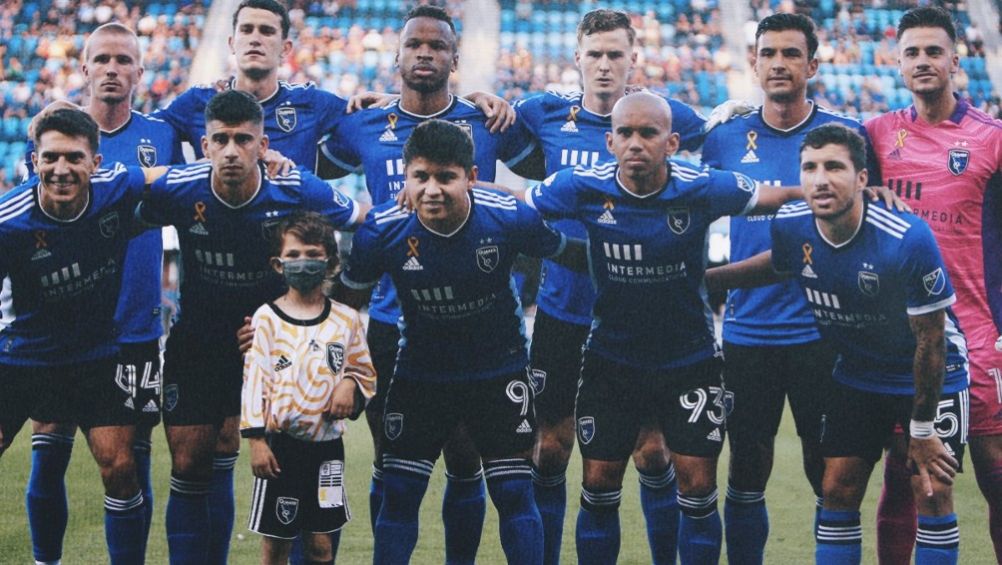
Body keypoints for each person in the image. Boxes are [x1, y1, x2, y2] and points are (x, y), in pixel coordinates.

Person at [522, 92, 803, 565]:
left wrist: (837, 195)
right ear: (609, 141)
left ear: (671, 141)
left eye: (648, 133)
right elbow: (514, 209)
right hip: (611, 362)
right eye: (626, 133)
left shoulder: (703, 187)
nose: (636, 143)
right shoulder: (580, 186)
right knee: (599, 485)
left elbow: (774, 198)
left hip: (688, 362)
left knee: (697, 486)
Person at [315, 6, 536, 560]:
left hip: (477, 324)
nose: (425, 54)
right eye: (415, 44)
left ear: (455, 59)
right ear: (397, 54)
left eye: (437, 47)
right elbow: (305, 161)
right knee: (395, 467)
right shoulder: (362, 122)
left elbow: (548, 159)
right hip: (390, 327)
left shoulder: (488, 122)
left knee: (467, 460)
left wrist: (501, 101)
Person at [495, 11, 707, 561]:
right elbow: (478, 129)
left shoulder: (668, 116)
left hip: (641, 321)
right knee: (547, 449)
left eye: (616, 54)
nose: (605, 64)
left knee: (653, 452)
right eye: (596, 54)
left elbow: (724, 140)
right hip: (564, 312)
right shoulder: (542, 114)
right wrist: (480, 99)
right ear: (577, 59)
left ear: (633, 58)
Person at [707, 123, 968, 565]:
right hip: (857, 374)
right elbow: (779, 266)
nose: (820, 179)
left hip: (929, 375)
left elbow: (932, 341)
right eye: (809, 168)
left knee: (931, 488)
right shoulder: (791, 225)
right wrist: (702, 281)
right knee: (836, 489)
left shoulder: (905, 238)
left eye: (834, 167)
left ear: (863, 178)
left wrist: (922, 430)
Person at [335, 119, 586, 565]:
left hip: (499, 372)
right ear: (406, 178)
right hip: (420, 376)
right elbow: (345, 305)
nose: (432, 189)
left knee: (513, 491)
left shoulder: (508, 216)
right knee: (400, 490)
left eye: (446, 177)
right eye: (421, 177)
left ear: (470, 177)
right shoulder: (382, 229)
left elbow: (568, 252)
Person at [137, 89, 362, 565]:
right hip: (198, 342)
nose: (232, 150)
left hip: (276, 350)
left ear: (264, 146)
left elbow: (360, 217)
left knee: (298, 465)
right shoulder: (181, 187)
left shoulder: (294, 188)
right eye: (221, 140)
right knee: (188, 462)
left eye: (244, 139)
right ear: (205, 145)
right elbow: (118, 200)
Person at [700, 13, 879, 564]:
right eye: (768, 53)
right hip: (749, 335)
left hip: (825, 335)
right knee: (747, 469)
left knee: (827, 474)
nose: (779, 63)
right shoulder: (724, 137)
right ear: (753, 62)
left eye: (791, 53)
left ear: (813, 64)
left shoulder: (846, 137)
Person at [20, 23, 185, 565]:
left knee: (129, 459)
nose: (112, 70)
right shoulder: (54, 134)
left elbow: (189, 190)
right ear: (84, 68)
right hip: (58, 323)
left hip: (136, 325)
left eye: (123, 60)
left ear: (140, 71)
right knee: (49, 448)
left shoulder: (164, 133)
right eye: (102, 60)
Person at [864, 7, 1002, 563]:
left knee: (996, 472)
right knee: (909, 476)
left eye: (933, 51)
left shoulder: (992, 139)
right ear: (897, 63)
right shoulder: (874, 135)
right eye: (912, 53)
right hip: (907, 340)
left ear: (955, 58)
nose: (923, 61)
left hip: (980, 330)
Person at [0, 108, 165, 564]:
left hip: (94, 355)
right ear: (34, 161)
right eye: (50, 158)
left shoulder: (115, 188)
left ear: (95, 162)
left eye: (74, 158)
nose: (61, 169)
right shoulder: (8, 222)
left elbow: (175, 178)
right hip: (23, 355)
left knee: (121, 465)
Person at [241, 211, 377, 565]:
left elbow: (365, 371)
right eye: (295, 255)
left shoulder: (346, 319)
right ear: (278, 263)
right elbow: (254, 380)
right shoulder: (266, 319)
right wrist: (256, 441)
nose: (304, 263)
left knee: (321, 546)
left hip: (327, 450)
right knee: (277, 544)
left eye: (314, 255)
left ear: (331, 262)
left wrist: (350, 384)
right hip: (280, 448)